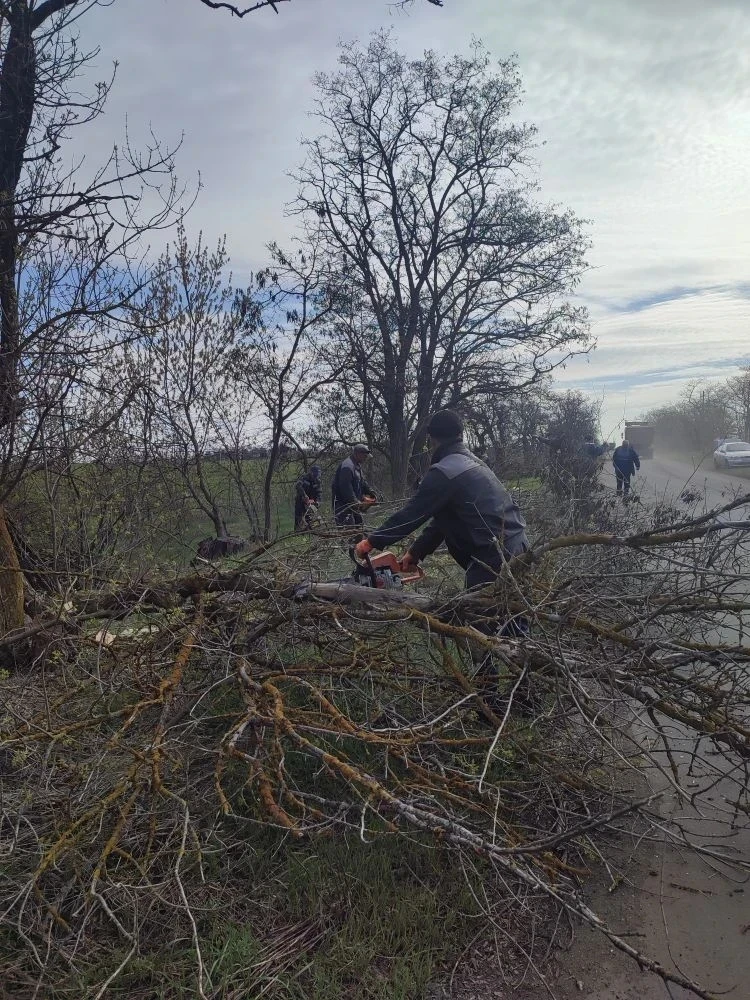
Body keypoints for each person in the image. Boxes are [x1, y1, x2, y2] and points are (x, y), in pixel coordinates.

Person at [354, 408, 529, 602]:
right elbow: (443, 520)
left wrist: (371, 541)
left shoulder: (444, 472)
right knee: (510, 617)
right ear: (460, 434)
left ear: (431, 439)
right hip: (519, 545)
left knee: (482, 621)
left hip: (495, 557)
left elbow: (412, 514)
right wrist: (416, 551)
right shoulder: (474, 462)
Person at [332, 444, 376, 529]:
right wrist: (355, 502)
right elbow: (345, 487)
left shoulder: (357, 466)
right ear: (358, 454)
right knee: (348, 533)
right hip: (343, 506)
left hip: (353, 506)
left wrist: (371, 492)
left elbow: (362, 482)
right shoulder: (347, 466)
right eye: (364, 456)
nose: (366, 458)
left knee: (359, 528)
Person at [294, 465, 323, 531]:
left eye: (318, 474)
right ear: (311, 472)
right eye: (315, 473)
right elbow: (298, 486)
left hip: (311, 503)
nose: (316, 476)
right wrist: (304, 495)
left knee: (311, 519)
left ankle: (310, 533)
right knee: (299, 519)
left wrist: (318, 502)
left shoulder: (318, 481)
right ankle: (298, 534)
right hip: (300, 502)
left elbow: (319, 493)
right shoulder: (304, 478)